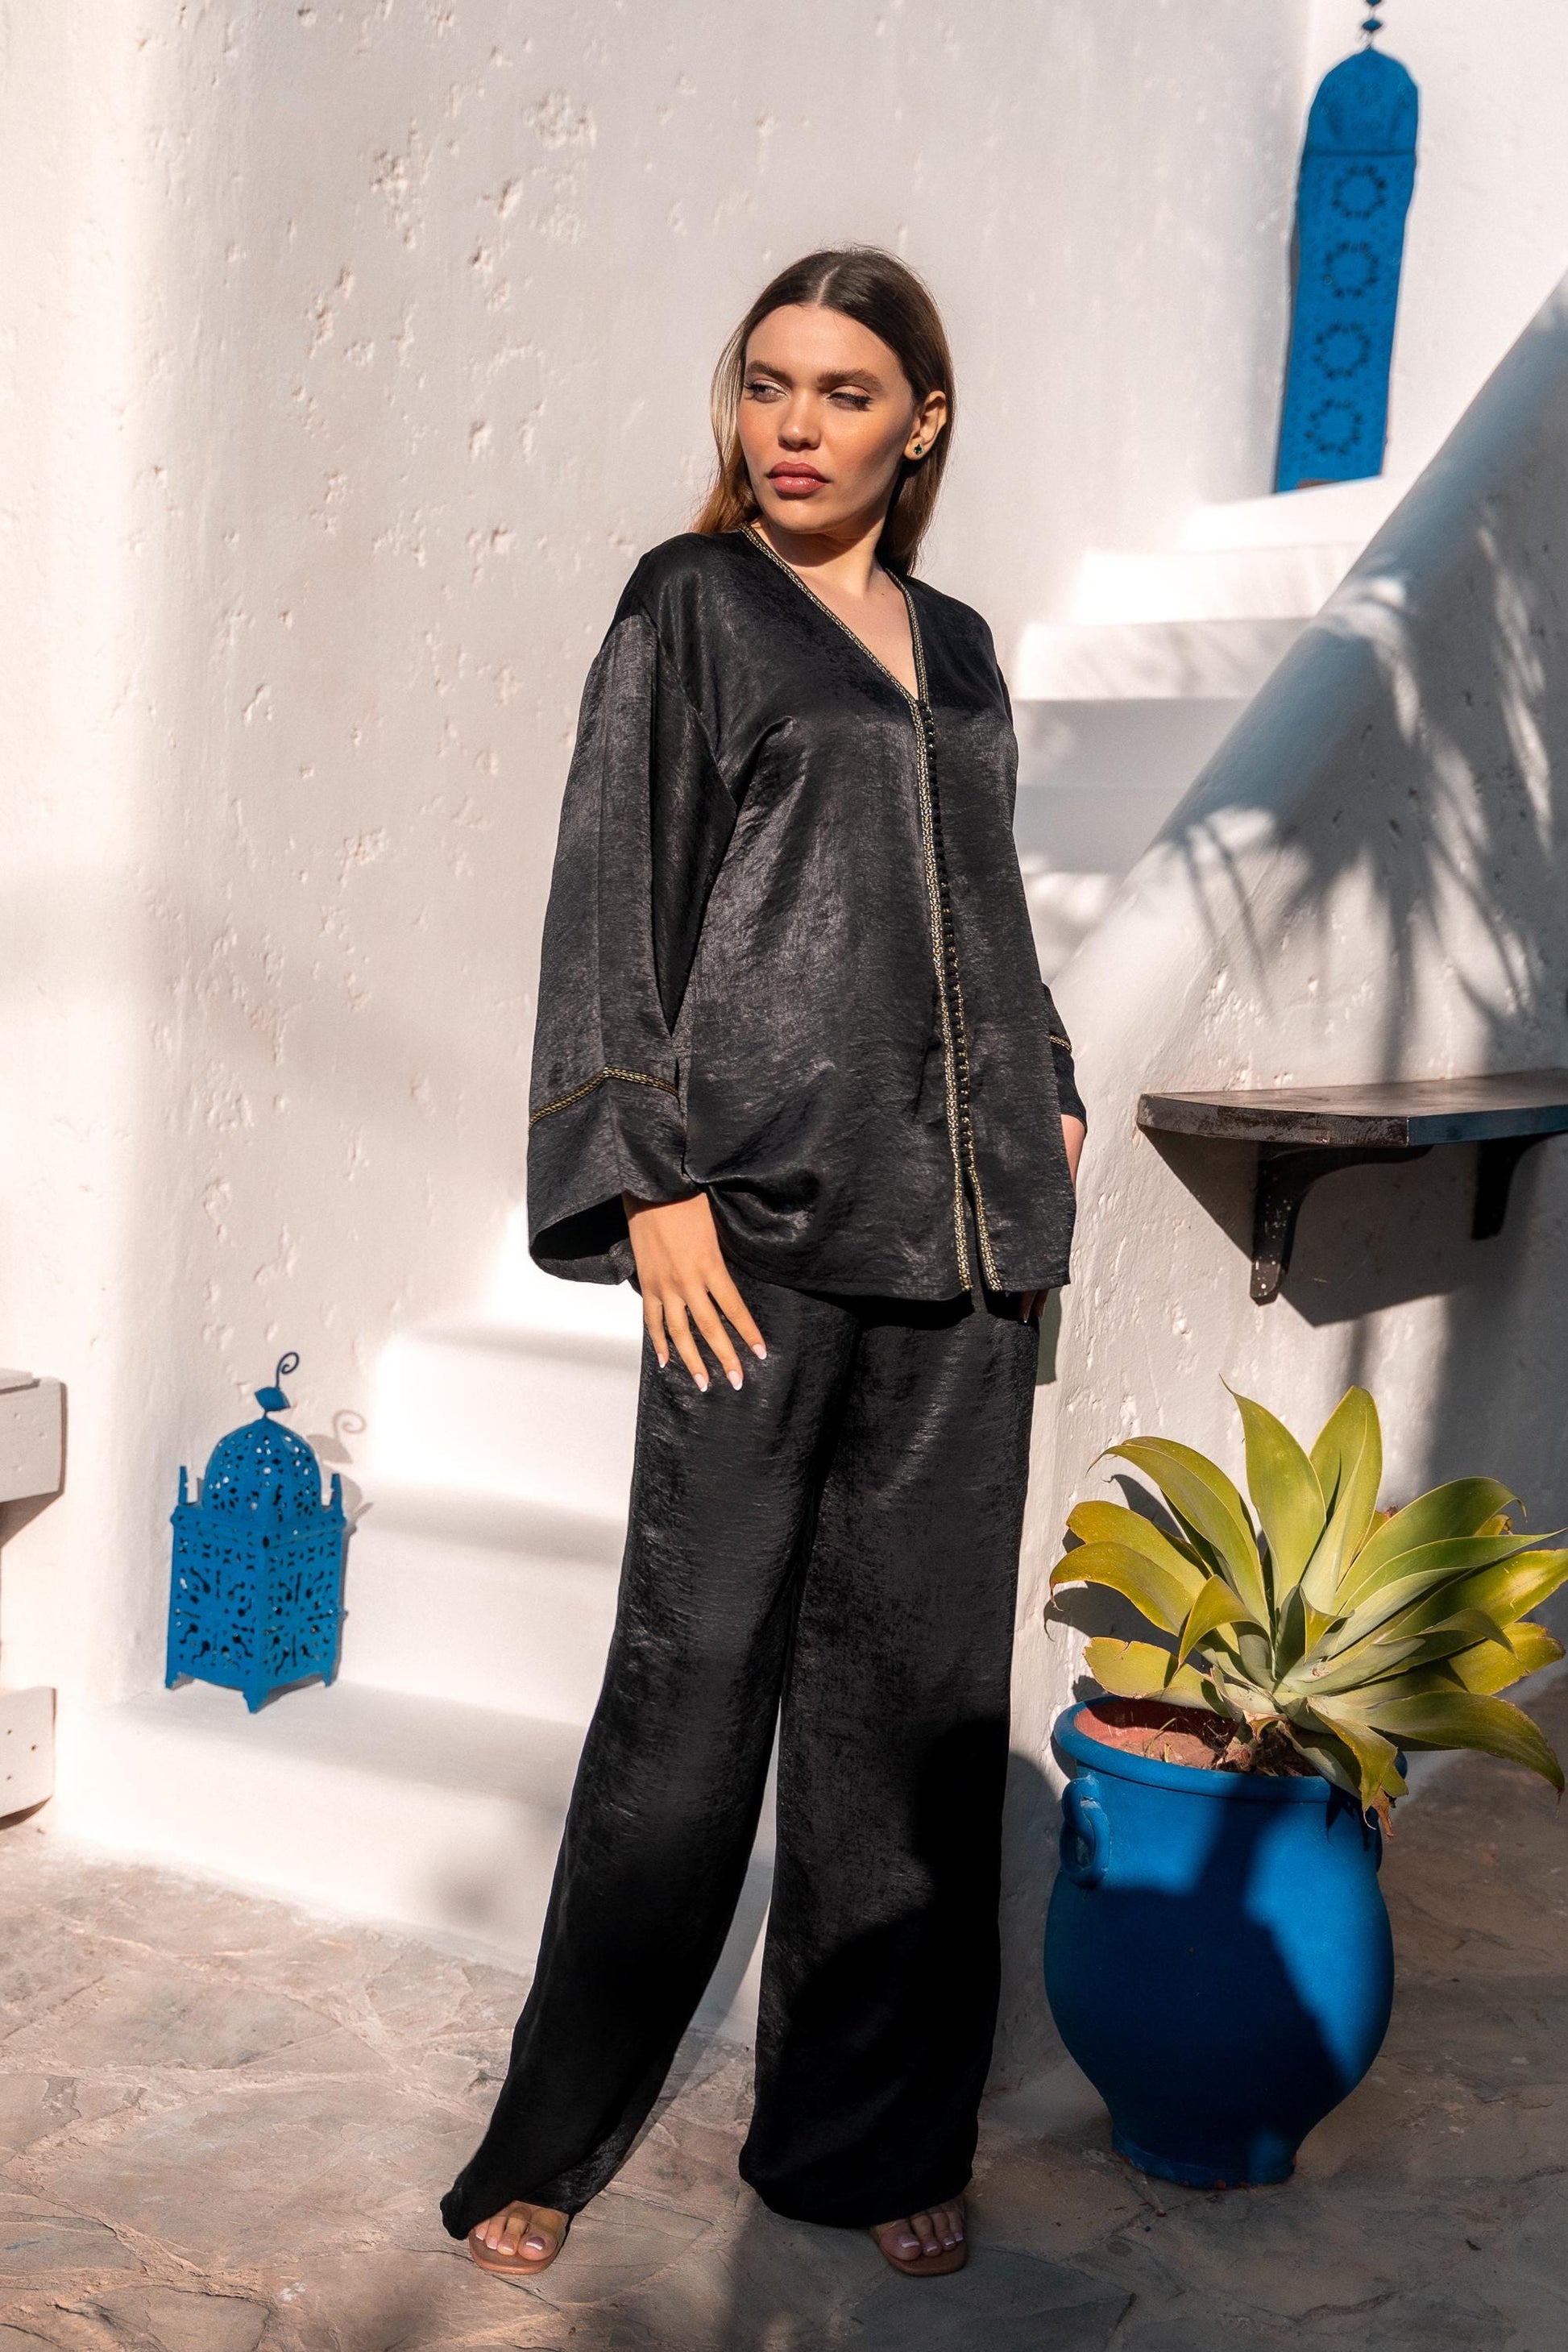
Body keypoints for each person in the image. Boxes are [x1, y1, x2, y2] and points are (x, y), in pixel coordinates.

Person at [441, 247, 1086, 2284]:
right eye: (768, 384)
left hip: (962, 1247)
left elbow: (982, 905)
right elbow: (611, 893)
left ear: (922, 422)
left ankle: (865, 2128)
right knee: (691, 1680)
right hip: (753, 1228)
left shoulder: (957, 645)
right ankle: (553, 2131)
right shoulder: (691, 606)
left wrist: (1053, 1089)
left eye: (844, 391)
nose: (794, 426)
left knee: (913, 1706)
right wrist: (644, 1176)